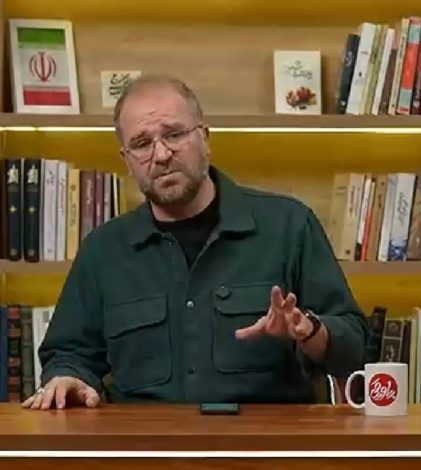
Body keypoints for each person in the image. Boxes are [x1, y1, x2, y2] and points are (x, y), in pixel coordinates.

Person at [23, 74, 369, 410]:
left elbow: (355, 347)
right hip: (142, 443)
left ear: (205, 138)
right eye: (142, 144)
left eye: (174, 134)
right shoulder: (103, 250)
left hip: (265, 443)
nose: (161, 154)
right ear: (126, 160)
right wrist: (67, 378)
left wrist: (309, 330)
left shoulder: (289, 226)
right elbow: (69, 353)